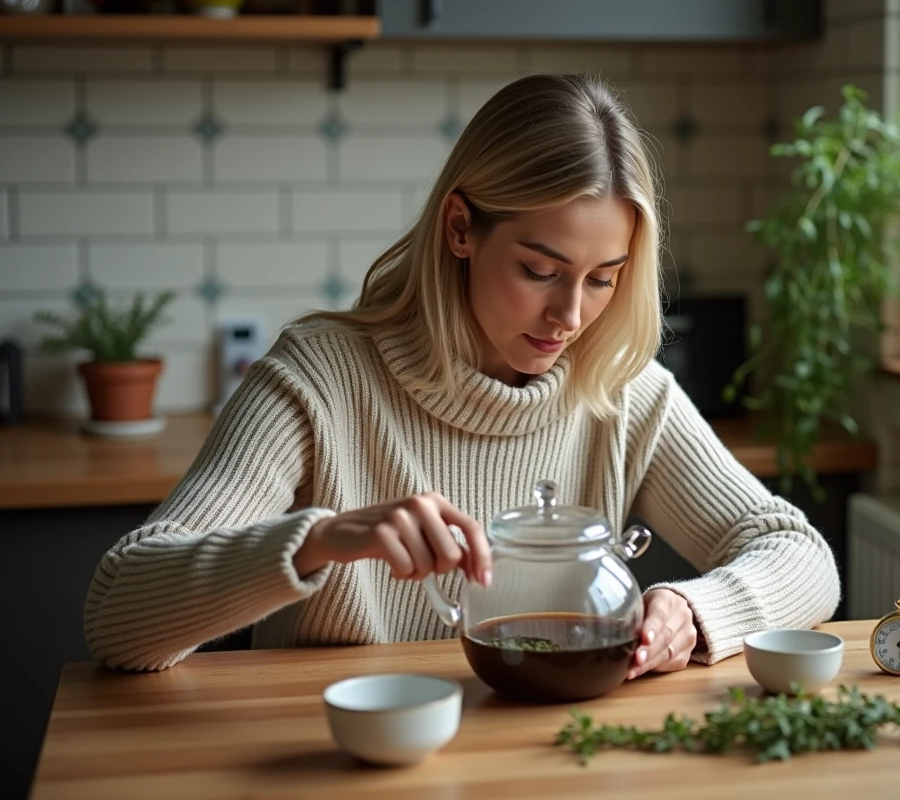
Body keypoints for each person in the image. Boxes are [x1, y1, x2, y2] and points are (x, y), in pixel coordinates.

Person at [84, 73, 840, 675]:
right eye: (541, 270)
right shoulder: (318, 380)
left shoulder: (620, 391)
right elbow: (117, 618)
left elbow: (803, 557)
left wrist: (693, 609)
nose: (571, 316)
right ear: (459, 229)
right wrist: (321, 539)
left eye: (604, 278)